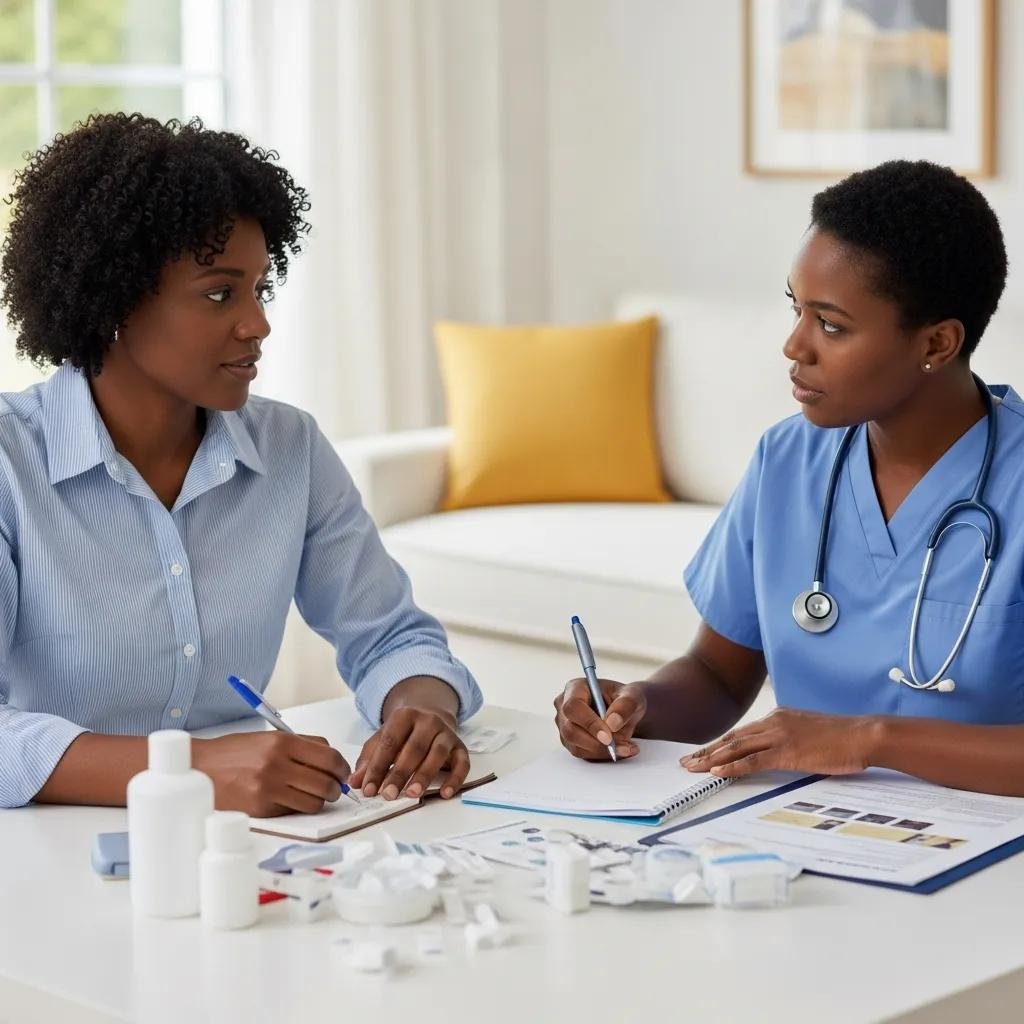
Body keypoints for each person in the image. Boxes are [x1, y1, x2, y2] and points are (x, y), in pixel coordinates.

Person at [0, 113, 482, 813]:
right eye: (220, 293)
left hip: (252, 844)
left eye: (260, 287)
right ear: (114, 302)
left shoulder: (291, 448)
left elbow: (392, 636)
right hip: (48, 850)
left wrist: (422, 710)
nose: (257, 324)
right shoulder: (12, 463)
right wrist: (188, 771)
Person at [553, 159, 1024, 796]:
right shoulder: (786, 460)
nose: (795, 345)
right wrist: (636, 705)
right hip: (803, 832)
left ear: (937, 343)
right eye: (796, 309)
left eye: (831, 325)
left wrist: (865, 740)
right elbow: (717, 679)